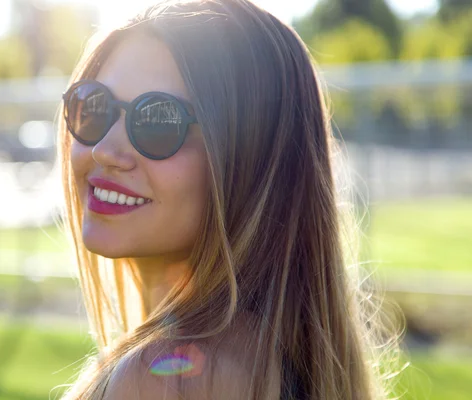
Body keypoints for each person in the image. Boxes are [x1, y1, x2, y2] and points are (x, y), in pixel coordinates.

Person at [56, 0, 402, 399]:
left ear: (251, 160)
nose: (103, 149)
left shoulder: (175, 378)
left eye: (157, 121)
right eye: (94, 106)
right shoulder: (256, 359)